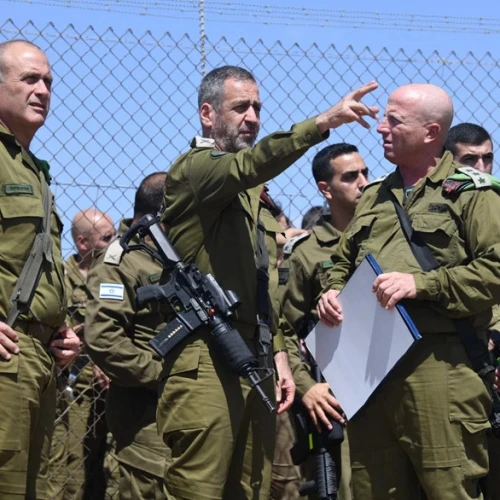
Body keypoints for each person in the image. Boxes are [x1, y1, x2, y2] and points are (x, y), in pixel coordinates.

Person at [158, 64, 379, 499]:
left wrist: (277, 353)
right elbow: (250, 164)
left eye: (257, 107)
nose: (253, 117)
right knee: (200, 490)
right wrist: (323, 123)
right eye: (241, 107)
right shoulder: (197, 169)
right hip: (206, 357)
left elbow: (264, 289)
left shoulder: (247, 195)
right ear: (208, 114)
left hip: (252, 358)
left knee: (252, 489)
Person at [317, 83, 500, 499]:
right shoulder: (375, 196)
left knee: (447, 488)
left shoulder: (473, 194)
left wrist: (422, 284)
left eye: (394, 121)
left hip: (441, 370)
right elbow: (340, 261)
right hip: (369, 370)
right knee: (373, 489)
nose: (380, 127)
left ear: (431, 133)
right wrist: (330, 293)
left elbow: (496, 269)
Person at [0, 39, 80, 499]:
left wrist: (60, 328)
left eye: (48, 80)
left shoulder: (33, 169)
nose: (43, 89)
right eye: (29, 78)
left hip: (38, 361)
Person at [271, 143, 369, 500]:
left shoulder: (386, 237)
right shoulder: (308, 255)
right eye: (350, 176)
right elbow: (280, 327)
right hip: (339, 399)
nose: (363, 183)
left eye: (364, 173)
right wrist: (305, 386)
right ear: (325, 189)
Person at [85, 172, 170, 500]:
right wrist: (165, 376)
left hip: (179, 413)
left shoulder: (172, 258)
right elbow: (105, 340)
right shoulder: (120, 261)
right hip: (144, 420)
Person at [47, 208, 116, 499]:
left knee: (110, 466)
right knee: (74, 464)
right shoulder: (61, 277)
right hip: (76, 390)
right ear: (82, 242)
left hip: (113, 386)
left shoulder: (116, 275)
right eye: (106, 239)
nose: (113, 245)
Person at [446, 134, 500, 500]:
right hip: (462, 353)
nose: (481, 169)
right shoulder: (444, 203)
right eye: (470, 160)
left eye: (488, 159)